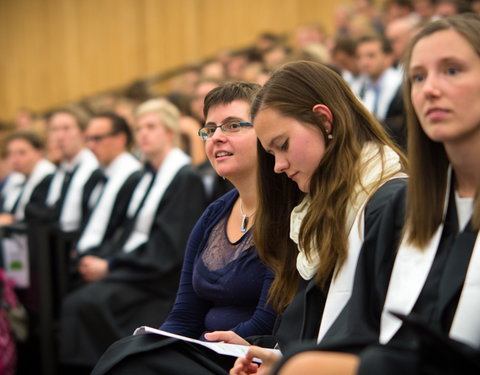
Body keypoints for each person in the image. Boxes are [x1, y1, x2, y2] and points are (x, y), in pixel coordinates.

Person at [268, 13, 480, 375]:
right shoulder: (408, 207)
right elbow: (363, 327)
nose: (429, 88)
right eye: (417, 76)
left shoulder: (385, 198)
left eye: (452, 70)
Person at [217, 59, 405, 374]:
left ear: (324, 120)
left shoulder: (390, 201)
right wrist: (278, 358)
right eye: (271, 154)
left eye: (283, 146)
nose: (277, 165)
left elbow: (381, 339)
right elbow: (315, 330)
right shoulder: (315, 209)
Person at [91, 82, 276, 375]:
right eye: (210, 129)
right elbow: (184, 313)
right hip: (204, 349)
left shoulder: (285, 211)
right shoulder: (214, 213)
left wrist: (191, 347)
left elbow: (264, 323)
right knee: (127, 353)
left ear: (266, 132)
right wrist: (157, 344)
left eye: (232, 126)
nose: (217, 137)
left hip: (245, 358)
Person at [58, 98, 207, 372]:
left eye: (151, 126)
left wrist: (112, 265)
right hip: (138, 268)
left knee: (84, 303)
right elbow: (127, 232)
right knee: (74, 290)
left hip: (157, 280)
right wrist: (102, 259)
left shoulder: (184, 178)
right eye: (139, 128)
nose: (143, 134)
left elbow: (170, 248)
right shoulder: (147, 177)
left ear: (170, 133)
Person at [73, 113, 142, 277]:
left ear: (120, 139)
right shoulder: (96, 175)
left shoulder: (134, 176)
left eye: (97, 139)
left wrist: (103, 261)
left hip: (106, 261)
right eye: (87, 139)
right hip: (85, 255)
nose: (90, 146)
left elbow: (122, 231)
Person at [0, 131, 55, 225]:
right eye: (11, 154)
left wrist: (12, 220)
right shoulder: (15, 178)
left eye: (22, 153)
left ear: (38, 153)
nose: (15, 159)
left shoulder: (49, 177)